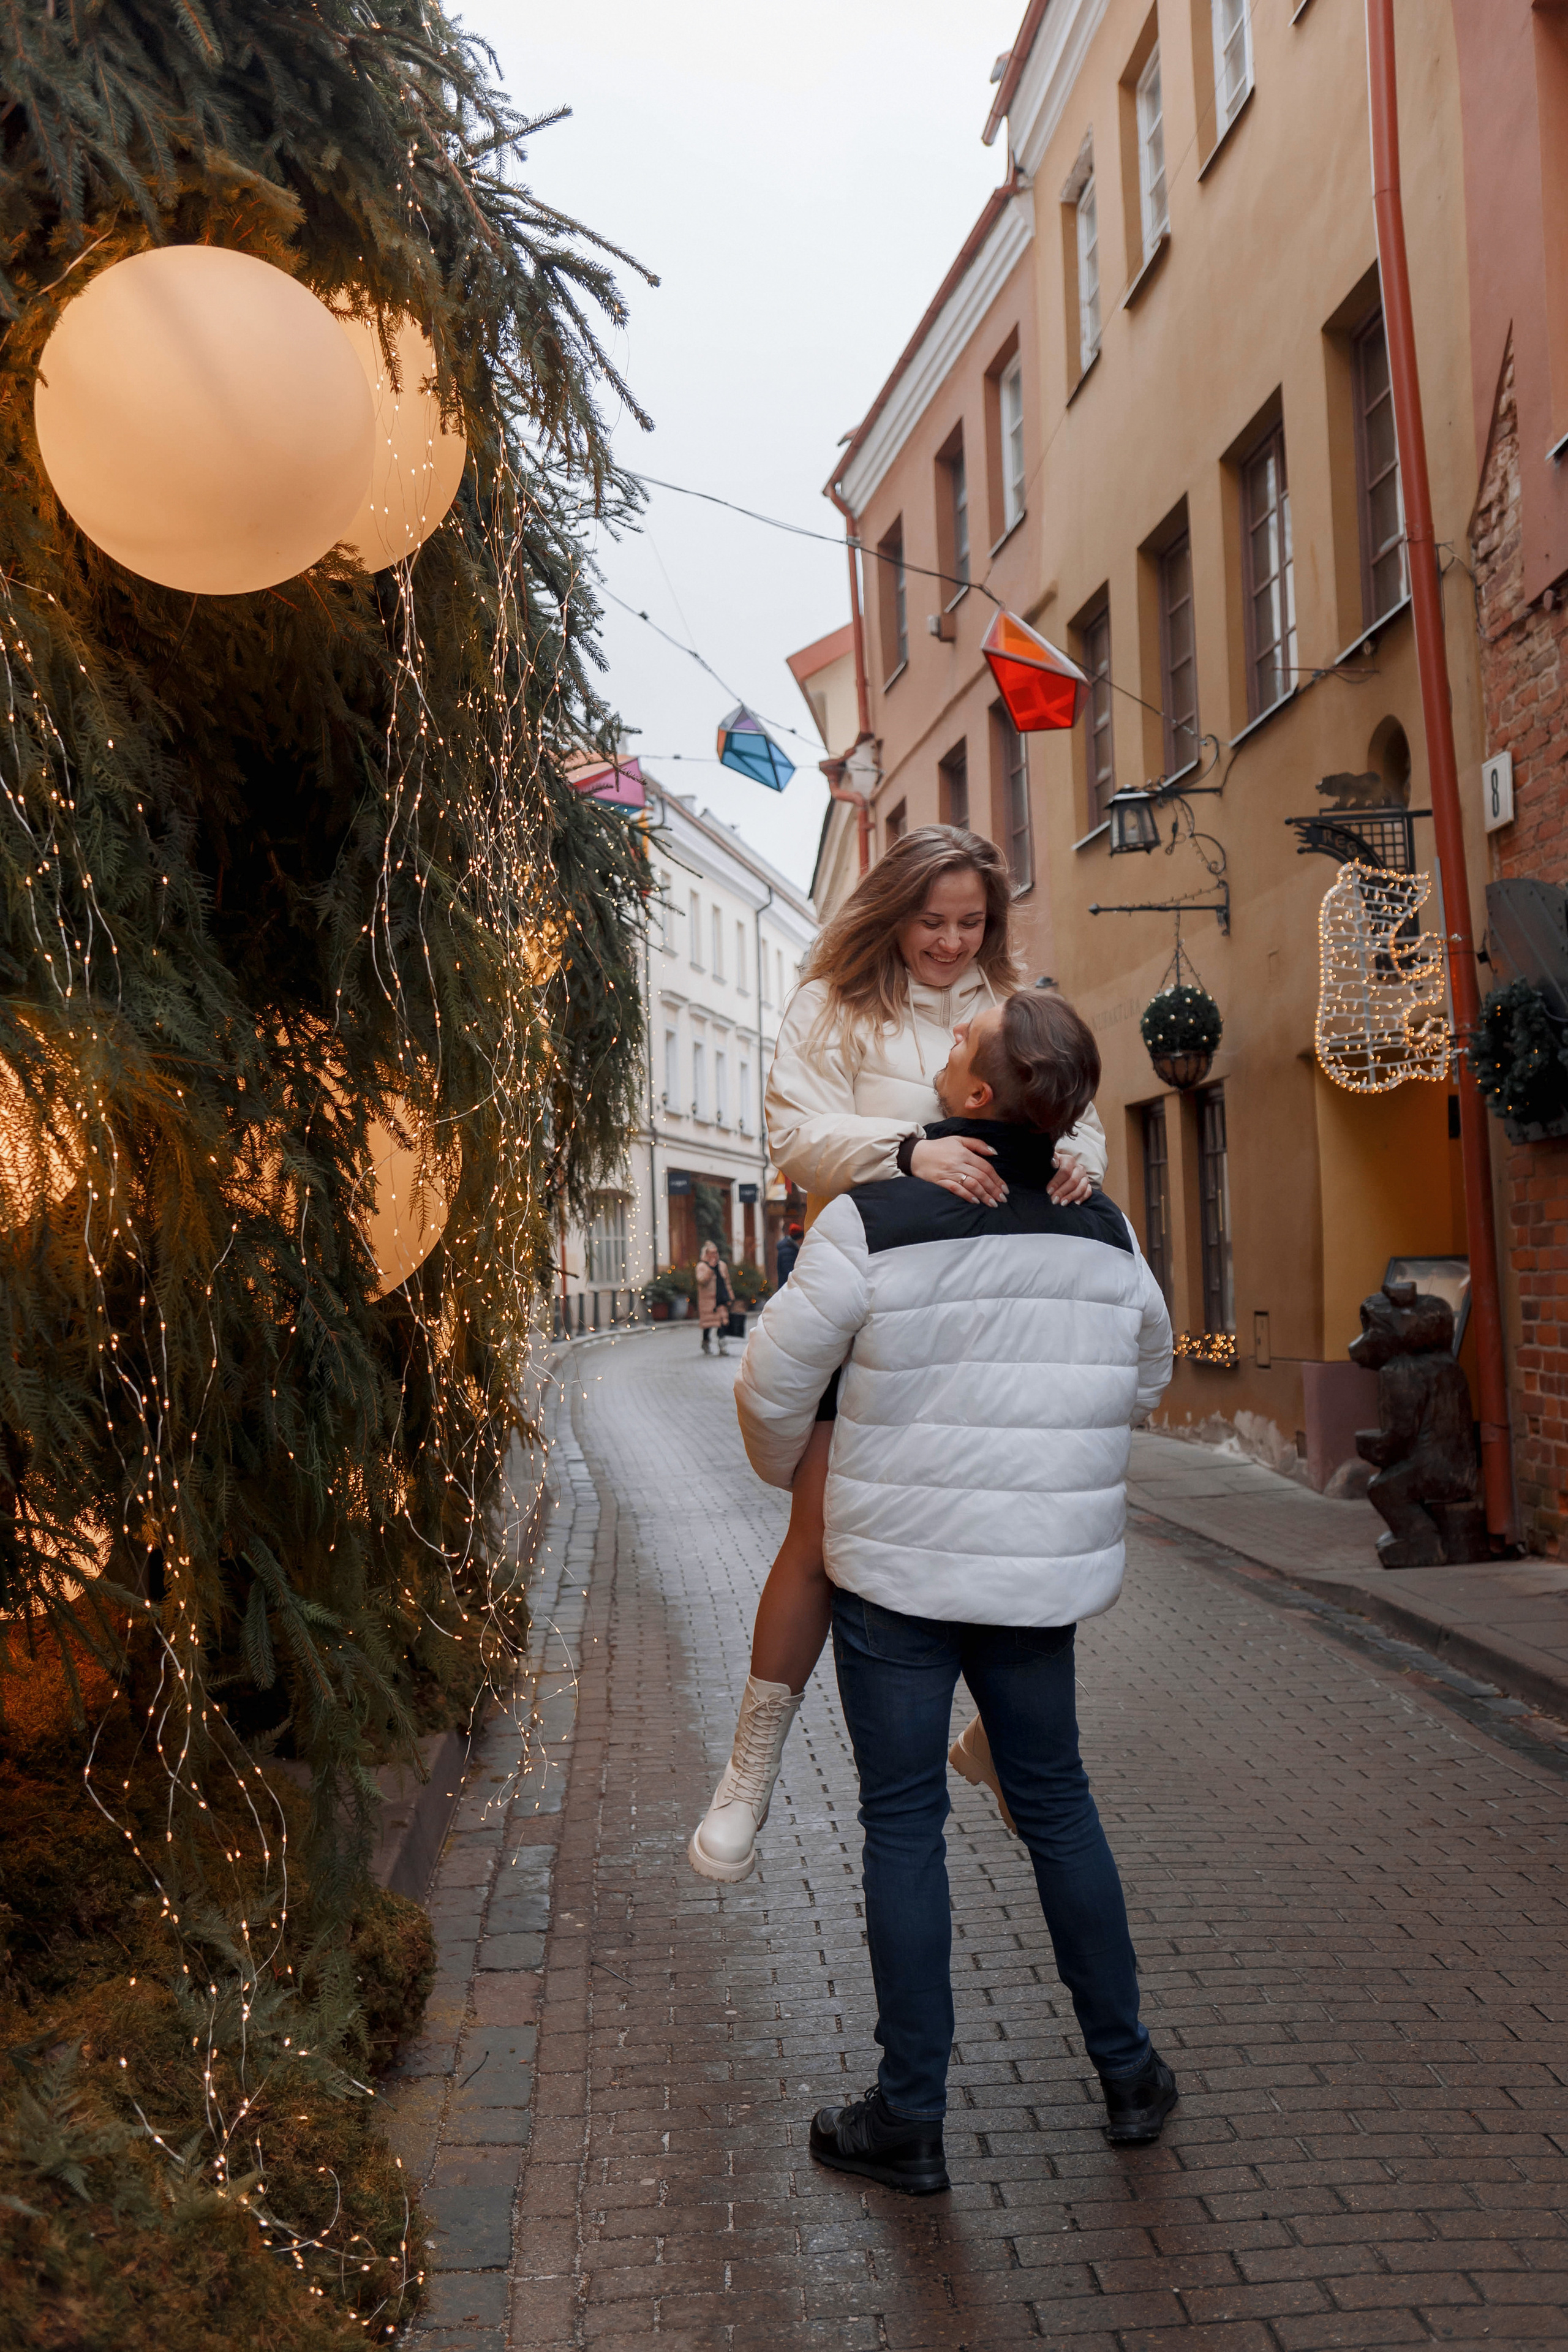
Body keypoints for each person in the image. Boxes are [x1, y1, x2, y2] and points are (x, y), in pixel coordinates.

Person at [734, 987, 1177, 2186]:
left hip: (896, 1576)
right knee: (1056, 1811)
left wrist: (803, 1483)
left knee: (900, 1827)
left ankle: (910, 2117)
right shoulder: (1101, 1230)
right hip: (1030, 1587)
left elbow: (774, 1391)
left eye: (962, 1040)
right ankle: (1128, 2074)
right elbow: (1148, 1374)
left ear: (975, 1095)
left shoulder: (871, 1222)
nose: (944, 1043)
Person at [687, 827, 1107, 1881]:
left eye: (971, 922)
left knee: (1009, 1529)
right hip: (870, 1294)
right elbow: (791, 1135)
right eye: (934, 920)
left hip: (990, 1315)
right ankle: (750, 1770)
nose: (952, 940)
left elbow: (1077, 1113)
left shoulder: (1011, 995)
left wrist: (1076, 1168)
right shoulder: (833, 1001)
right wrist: (907, 1149)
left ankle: (1000, 1746)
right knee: (822, 1537)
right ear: (894, 911)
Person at [695, 1240, 733, 1356]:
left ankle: (722, 1345)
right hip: (708, 1301)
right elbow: (701, 1281)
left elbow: (727, 1282)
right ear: (706, 1254)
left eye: (715, 1252)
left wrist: (731, 1296)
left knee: (722, 1323)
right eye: (711, 1253)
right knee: (708, 1325)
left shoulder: (722, 1265)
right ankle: (705, 1342)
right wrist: (710, 1270)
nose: (714, 1255)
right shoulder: (702, 1266)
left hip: (721, 1299)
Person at [774, 1221, 804, 1286]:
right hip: (788, 1286)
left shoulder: (790, 1248)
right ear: (799, 1239)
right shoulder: (788, 1252)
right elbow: (790, 1272)